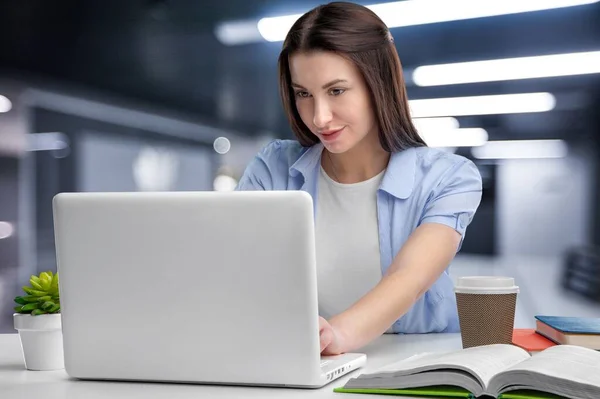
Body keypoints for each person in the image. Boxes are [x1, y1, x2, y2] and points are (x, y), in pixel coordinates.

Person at [236, 1, 483, 356]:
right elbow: (237, 266)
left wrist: (334, 336)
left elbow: (409, 278)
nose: (319, 117)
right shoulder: (273, 168)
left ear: (377, 83)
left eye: (336, 90)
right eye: (303, 94)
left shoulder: (449, 179)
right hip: (304, 360)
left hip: (415, 360)